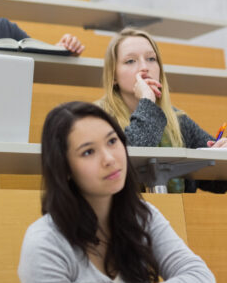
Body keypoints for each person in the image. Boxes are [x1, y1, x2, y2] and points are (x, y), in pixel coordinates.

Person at [14, 101, 216, 283]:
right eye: (88, 152)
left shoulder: (142, 217)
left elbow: (203, 282)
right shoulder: (44, 241)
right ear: (65, 169)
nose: (109, 159)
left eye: (112, 141)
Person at [97, 27, 227, 193]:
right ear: (113, 75)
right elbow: (126, 161)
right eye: (130, 61)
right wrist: (147, 101)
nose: (144, 67)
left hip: (176, 215)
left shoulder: (178, 120)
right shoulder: (98, 119)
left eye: (151, 59)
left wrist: (222, 151)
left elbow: (218, 182)